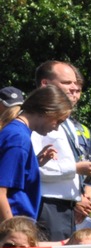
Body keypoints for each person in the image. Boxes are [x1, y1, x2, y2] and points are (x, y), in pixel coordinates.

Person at [31, 61, 91, 240]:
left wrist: (82, 195)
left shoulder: (70, 124)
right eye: (66, 83)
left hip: (70, 208)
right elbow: (33, 168)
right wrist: (76, 168)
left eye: (76, 84)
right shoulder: (37, 120)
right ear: (45, 84)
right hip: (47, 205)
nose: (73, 87)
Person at [0, 85, 73, 221]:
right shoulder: (19, 139)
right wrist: (11, 232)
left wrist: (34, 164)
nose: (56, 128)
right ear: (46, 111)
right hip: (14, 227)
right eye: (58, 121)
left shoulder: (15, 133)